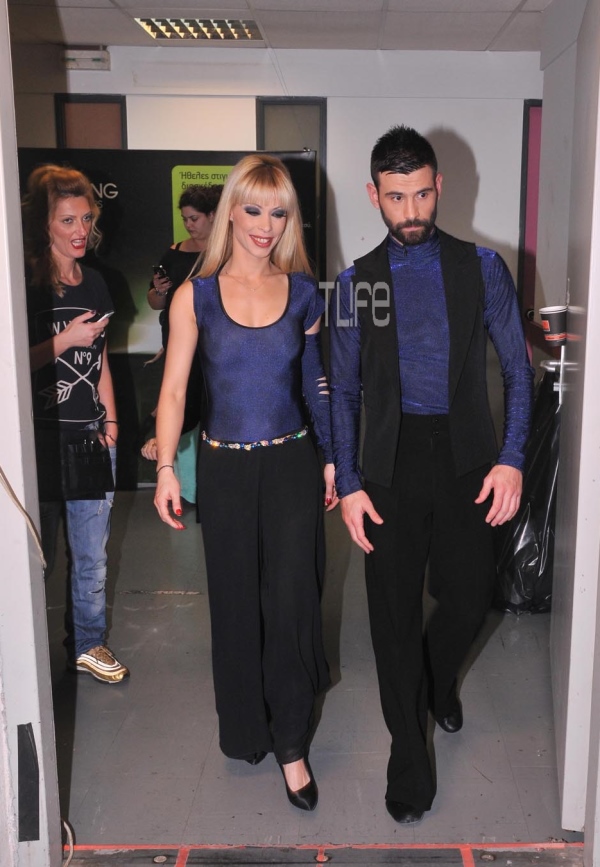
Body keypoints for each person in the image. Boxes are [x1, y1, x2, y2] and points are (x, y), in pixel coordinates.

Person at [329, 125, 534, 824]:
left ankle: (438, 678)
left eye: (421, 194)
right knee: (392, 620)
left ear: (439, 186)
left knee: (471, 598)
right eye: (396, 197)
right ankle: (408, 762)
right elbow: (343, 388)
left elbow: (518, 371)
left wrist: (511, 458)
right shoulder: (357, 283)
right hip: (389, 462)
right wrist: (349, 482)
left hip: (468, 455)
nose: (410, 211)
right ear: (374, 195)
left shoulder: (482, 268)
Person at [153, 154, 337, 811]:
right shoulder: (194, 296)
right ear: (231, 210)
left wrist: (333, 458)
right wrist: (166, 467)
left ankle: (291, 743)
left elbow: (317, 384)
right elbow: (174, 391)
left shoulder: (304, 293)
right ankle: (246, 728)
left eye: (278, 212)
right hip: (225, 470)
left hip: (291, 466)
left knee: (291, 604)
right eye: (253, 209)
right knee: (236, 608)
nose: (265, 224)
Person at [22, 164, 129, 684]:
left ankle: (88, 645)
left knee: (91, 558)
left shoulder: (97, 283)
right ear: (45, 223)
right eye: (67, 220)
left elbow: (101, 358)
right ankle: (23, 656)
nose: (80, 230)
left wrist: (111, 424)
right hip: (40, 442)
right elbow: (12, 365)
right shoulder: (24, 283)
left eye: (86, 218)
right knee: (34, 560)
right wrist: (66, 340)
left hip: (90, 438)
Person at [142, 185, 223, 503]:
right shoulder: (173, 252)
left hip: (216, 344)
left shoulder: (227, 251)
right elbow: (155, 303)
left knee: (214, 412)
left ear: (212, 216)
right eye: (185, 219)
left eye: (194, 218)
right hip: (177, 340)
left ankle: (214, 487)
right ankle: (187, 488)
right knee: (180, 406)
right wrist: (160, 290)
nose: (188, 225)